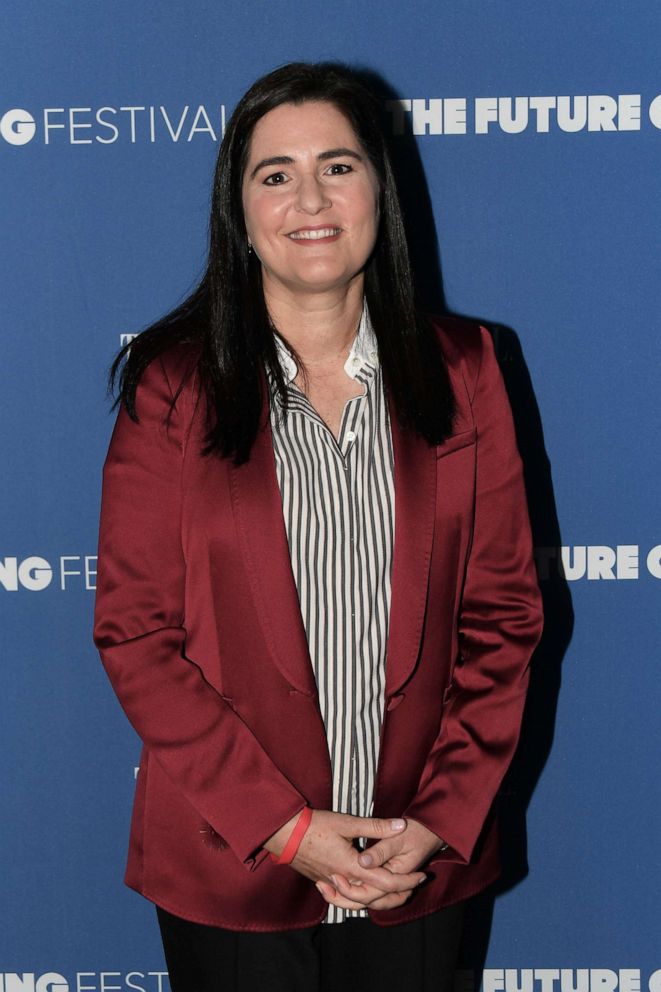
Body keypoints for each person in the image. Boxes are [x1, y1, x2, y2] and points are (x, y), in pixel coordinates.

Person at [93, 61, 543, 992]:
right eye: (275, 173)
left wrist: (434, 821)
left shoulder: (469, 370)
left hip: (413, 860)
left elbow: (502, 617)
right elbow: (137, 636)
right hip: (233, 858)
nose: (311, 199)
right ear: (240, 208)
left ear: (380, 185)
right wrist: (286, 829)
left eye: (337, 166)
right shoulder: (171, 386)